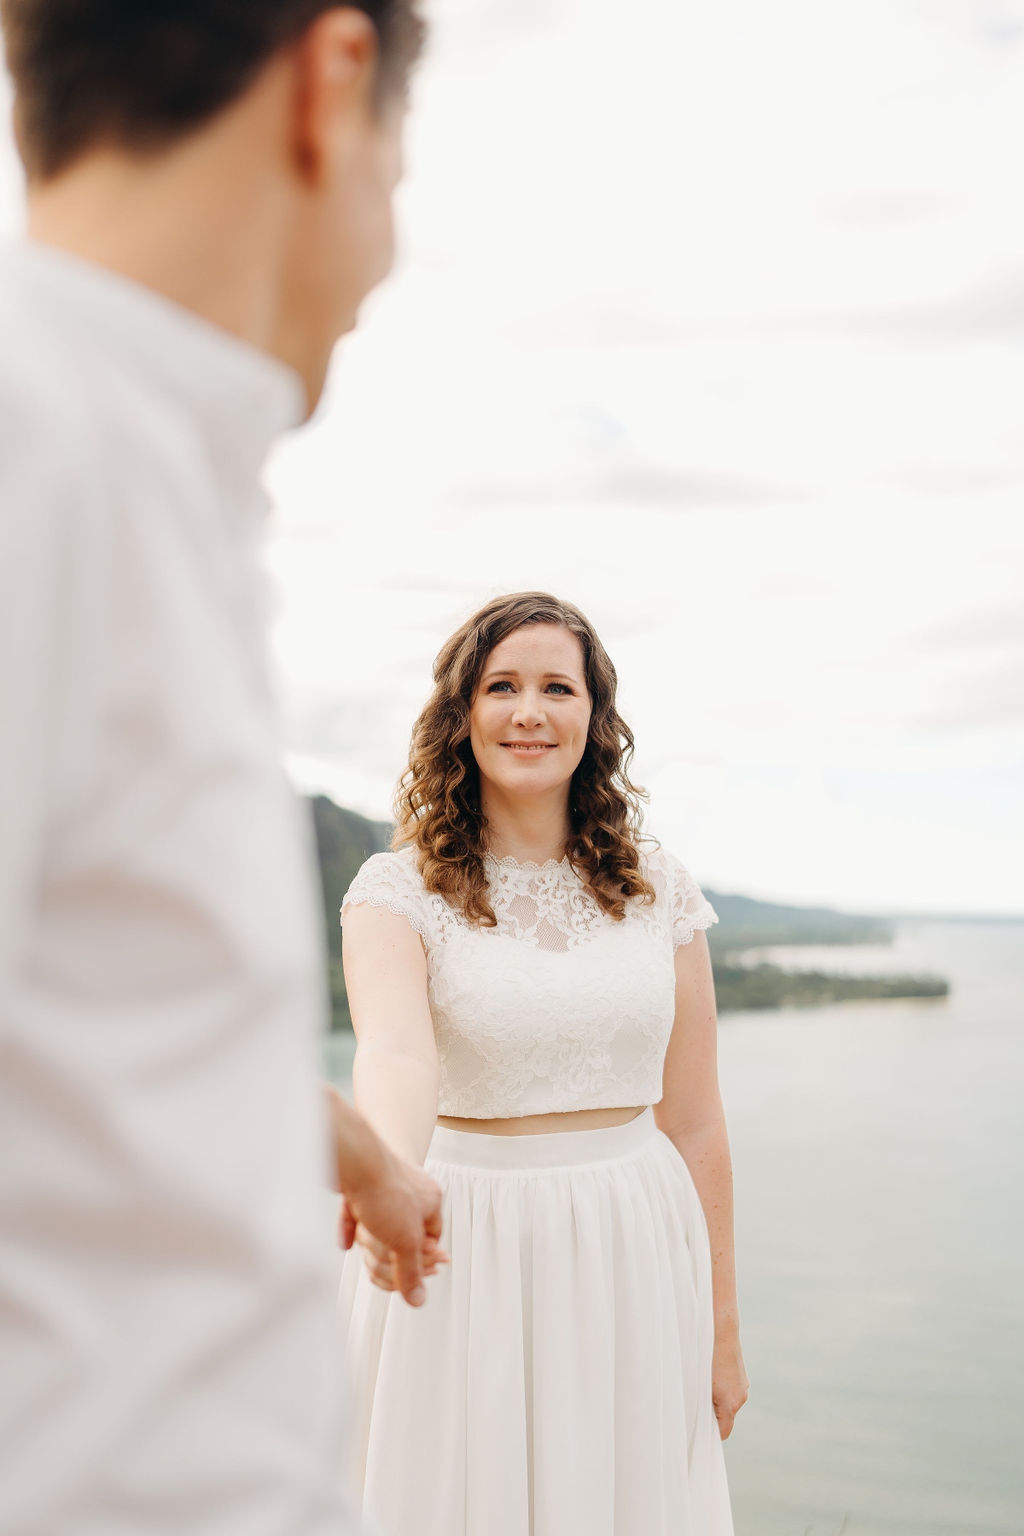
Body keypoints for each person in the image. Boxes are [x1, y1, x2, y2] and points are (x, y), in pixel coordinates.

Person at [0, 3, 444, 1533]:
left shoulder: (122, 461)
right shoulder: (36, 448)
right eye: (402, 158)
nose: (383, 261)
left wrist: (323, 1136)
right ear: (329, 89)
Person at [336, 591, 749, 1535]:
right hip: (462, 1243)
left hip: (634, 1245)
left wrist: (723, 1322)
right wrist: (389, 1175)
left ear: (594, 718)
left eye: (558, 687)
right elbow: (396, 1055)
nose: (531, 711)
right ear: (462, 715)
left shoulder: (661, 888)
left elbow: (696, 1121)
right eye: (502, 686)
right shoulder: (395, 891)